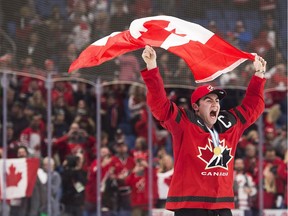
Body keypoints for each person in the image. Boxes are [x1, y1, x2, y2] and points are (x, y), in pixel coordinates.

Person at [140, 45, 267, 216]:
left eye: (217, 100)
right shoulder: (185, 122)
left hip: (221, 206)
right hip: (190, 206)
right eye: (208, 100)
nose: (215, 104)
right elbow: (159, 105)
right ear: (196, 107)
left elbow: (253, 107)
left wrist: (259, 76)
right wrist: (152, 67)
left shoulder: (229, 123)